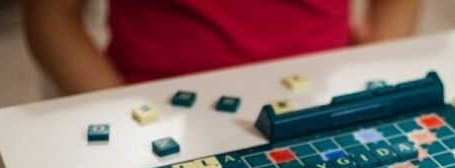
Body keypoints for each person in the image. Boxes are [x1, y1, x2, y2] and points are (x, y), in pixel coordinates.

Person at [24, 0, 419, 95]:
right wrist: (123, 112)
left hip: (322, 95)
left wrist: (372, 79)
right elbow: (52, 20)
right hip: (153, 101)